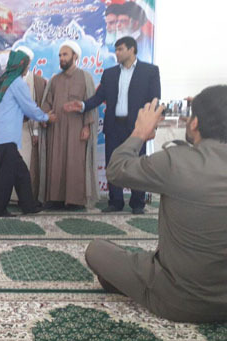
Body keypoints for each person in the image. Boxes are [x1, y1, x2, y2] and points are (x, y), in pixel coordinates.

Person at [85, 90, 227, 323]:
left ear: (195, 123)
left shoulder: (176, 160)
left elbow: (116, 170)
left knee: (97, 250)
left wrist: (140, 133)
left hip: (176, 301)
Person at [65, 36, 160, 214]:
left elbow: (155, 101)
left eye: (120, 49)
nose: (116, 53)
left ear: (131, 50)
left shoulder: (150, 71)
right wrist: (83, 105)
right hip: (114, 126)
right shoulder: (109, 74)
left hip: (137, 128)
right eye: (116, 50)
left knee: (136, 165)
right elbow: (98, 97)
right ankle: (115, 201)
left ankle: (137, 203)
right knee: (113, 164)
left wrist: (152, 127)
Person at [0, 49, 54, 217]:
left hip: (0, 136)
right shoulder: (17, 83)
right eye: (27, 66)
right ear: (21, 66)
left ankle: (28, 205)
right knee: (6, 175)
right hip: (6, 137)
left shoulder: (4, 81)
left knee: (21, 173)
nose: (27, 69)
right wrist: (46, 117)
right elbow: (29, 107)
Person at [40, 40, 99, 210]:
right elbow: (47, 102)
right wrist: (45, 117)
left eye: (65, 54)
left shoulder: (85, 78)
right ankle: (55, 199)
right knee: (56, 162)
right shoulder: (55, 80)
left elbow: (90, 103)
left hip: (76, 129)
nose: (62, 58)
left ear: (75, 56)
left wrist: (87, 126)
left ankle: (75, 200)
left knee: (75, 163)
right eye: (60, 55)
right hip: (56, 129)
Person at [16, 46, 47, 201]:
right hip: (10, 131)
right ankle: (12, 197)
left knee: (27, 165)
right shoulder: (6, 81)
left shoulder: (38, 82)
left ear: (29, 63)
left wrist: (35, 132)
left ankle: (27, 198)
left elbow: (39, 106)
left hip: (28, 133)